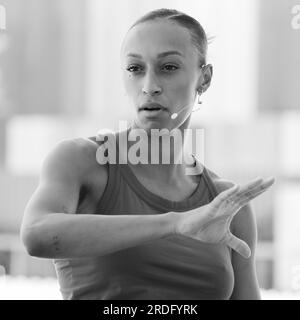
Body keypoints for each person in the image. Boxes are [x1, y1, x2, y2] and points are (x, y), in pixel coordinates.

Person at [20, 8, 275, 300]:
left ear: (204, 79)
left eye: (168, 67)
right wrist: (175, 223)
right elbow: (36, 235)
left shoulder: (225, 202)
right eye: (135, 69)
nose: (150, 87)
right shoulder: (82, 160)